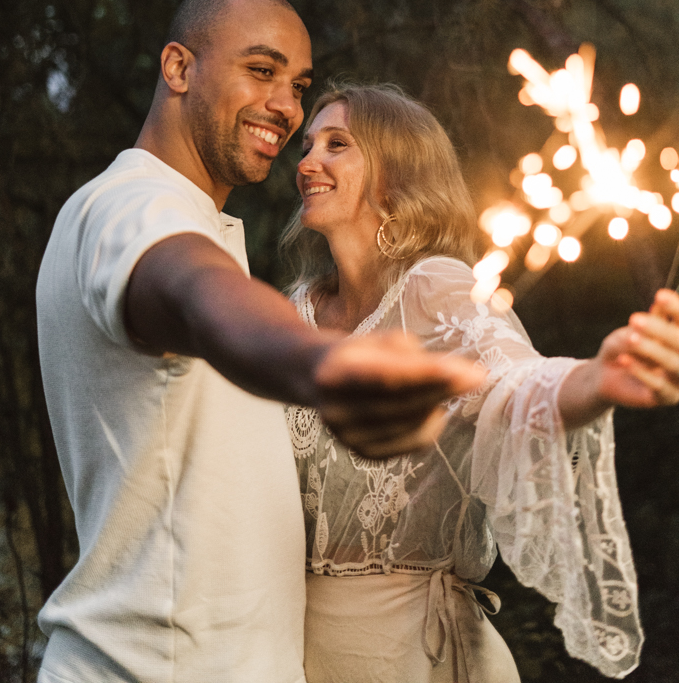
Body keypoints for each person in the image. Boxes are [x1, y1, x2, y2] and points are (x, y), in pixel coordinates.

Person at [35, 0, 484, 683]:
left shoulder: (196, 221)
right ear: (179, 69)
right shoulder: (129, 207)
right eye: (262, 69)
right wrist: (324, 366)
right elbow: (199, 296)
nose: (286, 105)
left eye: (297, 83)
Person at [283, 82, 679, 682]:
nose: (307, 161)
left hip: (411, 656)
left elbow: (512, 382)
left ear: (396, 171)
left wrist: (596, 380)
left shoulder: (435, 287)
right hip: (287, 654)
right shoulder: (293, 314)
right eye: (308, 145)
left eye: (337, 144)